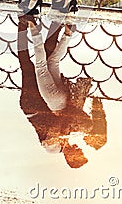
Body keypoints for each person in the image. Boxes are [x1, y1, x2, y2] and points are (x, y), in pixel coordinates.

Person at [17, 15, 107, 168]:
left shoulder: (53, 149)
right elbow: (60, 120)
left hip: (33, 106)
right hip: (44, 103)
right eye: (81, 151)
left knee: (32, 64)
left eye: (78, 153)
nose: (79, 148)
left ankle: (33, 26)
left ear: (70, 158)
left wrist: (67, 128)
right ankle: (32, 25)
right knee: (35, 63)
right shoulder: (65, 141)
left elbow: (54, 125)